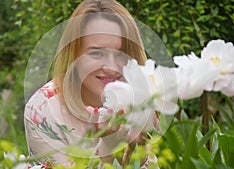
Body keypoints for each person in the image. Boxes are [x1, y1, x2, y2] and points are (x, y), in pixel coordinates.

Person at [24, 0, 158, 167]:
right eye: (96, 53)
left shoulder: (147, 99)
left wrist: (141, 151)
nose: (111, 68)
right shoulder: (44, 110)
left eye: (121, 53)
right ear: (73, 55)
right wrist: (109, 147)